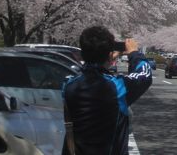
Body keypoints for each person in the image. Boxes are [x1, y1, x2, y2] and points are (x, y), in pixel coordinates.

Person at [62, 25, 152, 155]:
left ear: (82, 53)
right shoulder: (116, 87)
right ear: (109, 55)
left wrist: (107, 59)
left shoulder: (69, 85)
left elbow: (88, 72)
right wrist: (134, 53)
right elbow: (145, 74)